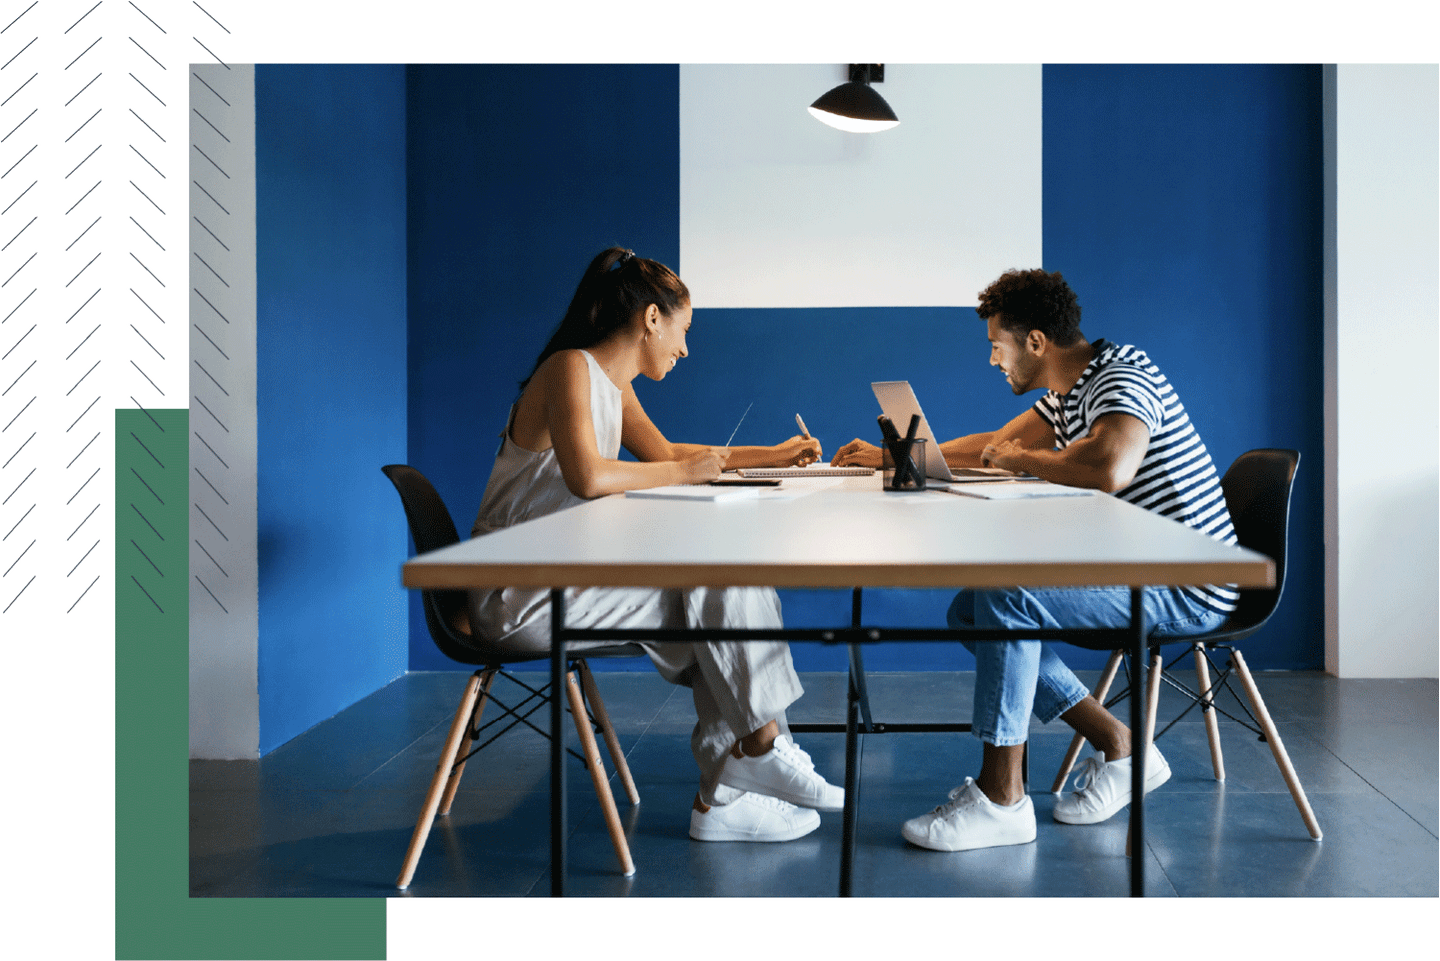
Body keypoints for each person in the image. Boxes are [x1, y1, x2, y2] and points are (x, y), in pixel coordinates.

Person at [832, 268, 1238, 852]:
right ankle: (1122, 746)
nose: (994, 361)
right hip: (1147, 570)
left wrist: (1021, 460)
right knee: (972, 608)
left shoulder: (1122, 375)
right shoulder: (1068, 390)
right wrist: (894, 455)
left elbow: (1108, 468)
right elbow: (996, 442)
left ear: (1036, 342)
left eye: (997, 347)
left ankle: (1002, 801)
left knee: (1006, 595)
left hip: (1189, 582)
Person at [467, 246, 844, 844]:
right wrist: (686, 475)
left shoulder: (612, 385)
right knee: (719, 589)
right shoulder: (569, 368)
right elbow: (588, 475)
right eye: (683, 329)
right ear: (650, 319)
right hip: (516, 592)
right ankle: (759, 753)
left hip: (563, 580)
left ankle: (726, 797)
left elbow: (669, 456)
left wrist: (772, 455)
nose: (685, 347)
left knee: (715, 613)